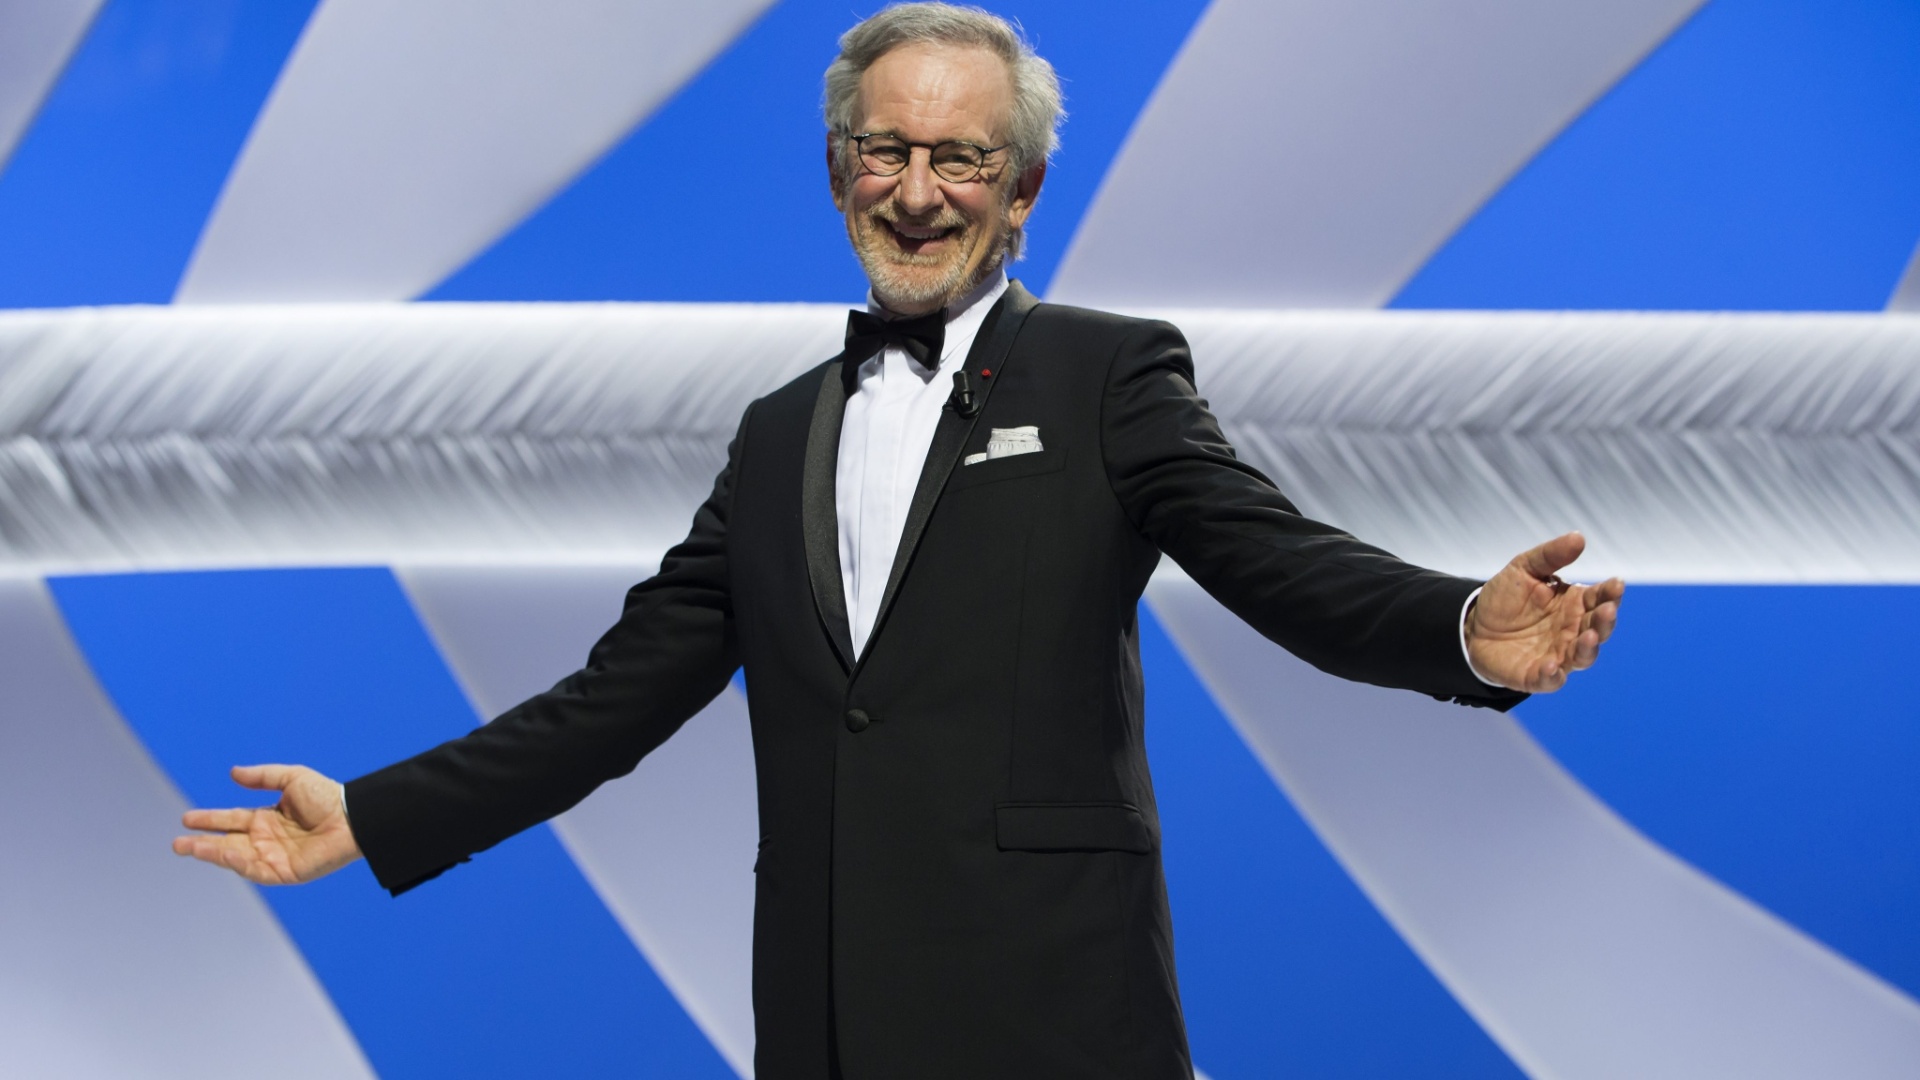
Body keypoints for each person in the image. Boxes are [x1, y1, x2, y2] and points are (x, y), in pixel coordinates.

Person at [174, 5, 1623, 1078]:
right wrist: (374, 814)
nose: (917, 190)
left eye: (961, 158)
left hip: (1057, 1018)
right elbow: (613, 704)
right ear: (836, 169)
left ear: (1022, 193)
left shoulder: (1109, 376)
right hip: (826, 1026)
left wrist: (1455, 630)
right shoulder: (774, 433)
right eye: (885, 149)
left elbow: (1270, 556)